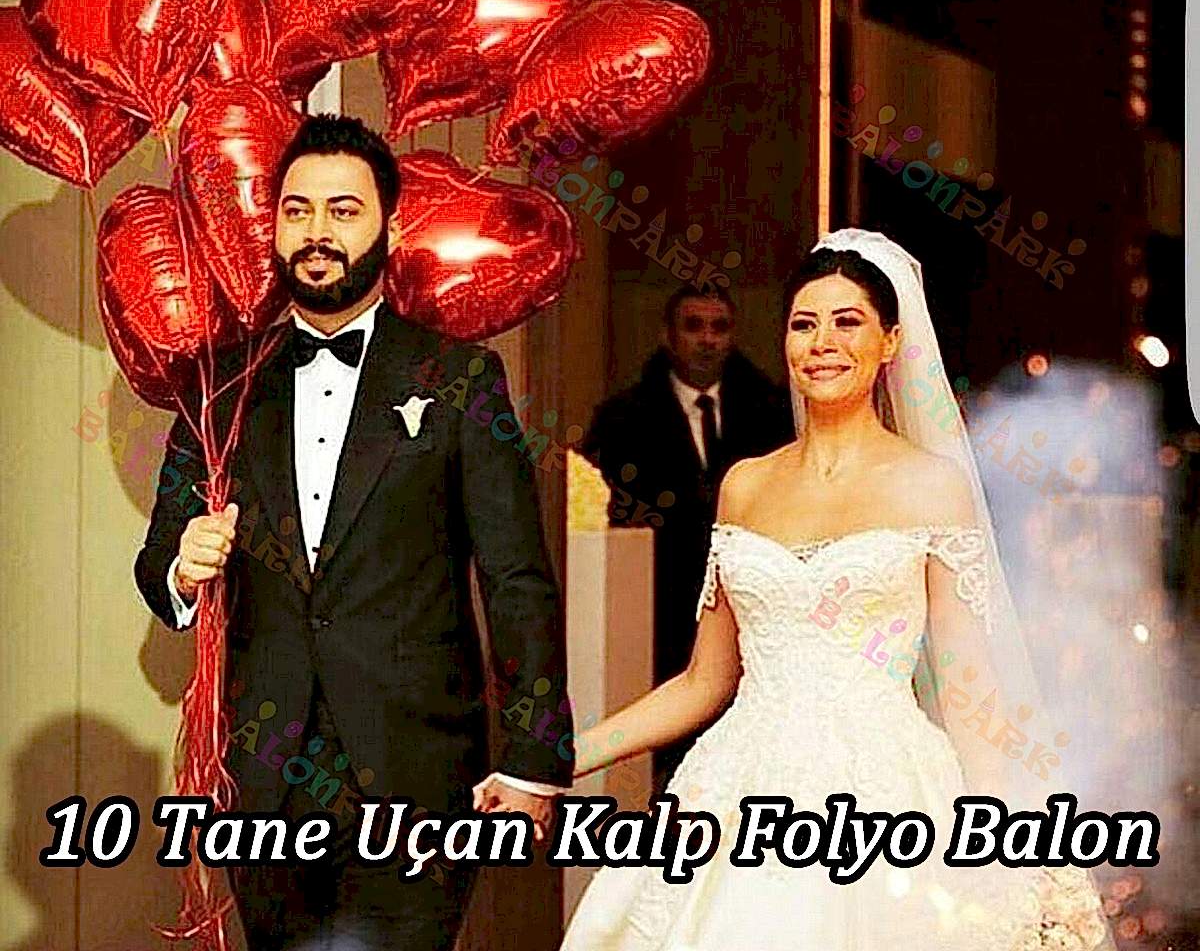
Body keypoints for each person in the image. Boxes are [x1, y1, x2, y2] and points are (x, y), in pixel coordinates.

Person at [559, 230, 1112, 951]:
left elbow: (968, 693)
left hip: (884, 794)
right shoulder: (745, 485)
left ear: (890, 342)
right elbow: (704, 681)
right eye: (803, 324)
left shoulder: (931, 485)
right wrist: (563, 757)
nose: (822, 343)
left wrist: (1009, 842)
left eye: (847, 322)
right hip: (734, 790)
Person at [134, 115, 572, 951]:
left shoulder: (460, 377)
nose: (317, 234)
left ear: (390, 227)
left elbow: (517, 579)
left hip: (418, 774)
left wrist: (533, 760)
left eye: (343, 211)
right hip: (265, 776)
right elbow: (158, 562)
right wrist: (183, 569)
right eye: (297, 211)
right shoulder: (221, 384)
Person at [581, 286, 791, 789]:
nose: (707, 340)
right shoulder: (623, 418)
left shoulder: (771, 411)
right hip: (653, 608)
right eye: (694, 326)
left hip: (751, 612)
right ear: (668, 335)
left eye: (719, 327)